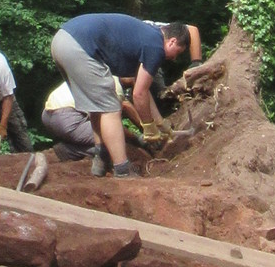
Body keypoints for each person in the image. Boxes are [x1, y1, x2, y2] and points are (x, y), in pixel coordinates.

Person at [48, 13, 195, 177]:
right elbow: (139, 95)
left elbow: (142, 90)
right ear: (172, 41)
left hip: (62, 40)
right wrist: (149, 128)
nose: (174, 58)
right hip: (79, 46)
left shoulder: (147, 37)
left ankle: (101, 157)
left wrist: (161, 124)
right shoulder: (156, 47)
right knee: (111, 109)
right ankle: (122, 171)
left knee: (97, 107)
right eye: (177, 52)